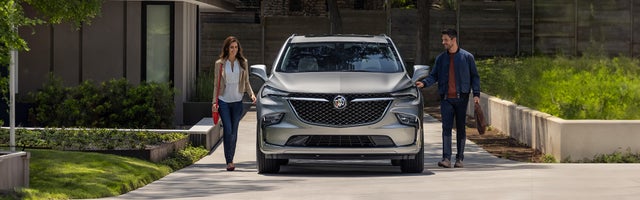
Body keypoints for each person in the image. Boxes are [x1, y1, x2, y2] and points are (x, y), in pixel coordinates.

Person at [416, 28, 481, 168]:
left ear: (453, 40)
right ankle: (446, 158)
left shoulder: (467, 57)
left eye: (445, 40)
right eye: (443, 40)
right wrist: (424, 83)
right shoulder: (441, 59)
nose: (443, 42)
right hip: (446, 99)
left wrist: (476, 94)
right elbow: (434, 75)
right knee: (446, 128)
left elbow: (475, 77)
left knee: (461, 129)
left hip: (462, 98)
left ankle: (460, 159)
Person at [212, 36, 256, 171]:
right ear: (227, 48)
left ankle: (231, 158)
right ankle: (229, 161)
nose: (234, 50)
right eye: (231, 47)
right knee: (228, 129)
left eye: (236, 47)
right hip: (224, 101)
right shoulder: (220, 63)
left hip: (237, 101)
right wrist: (214, 102)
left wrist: (252, 94)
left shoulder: (243, 63)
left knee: (234, 131)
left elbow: (247, 81)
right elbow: (216, 84)